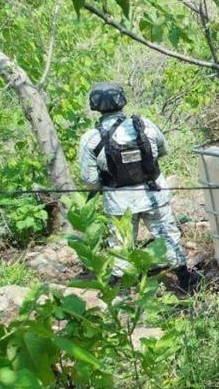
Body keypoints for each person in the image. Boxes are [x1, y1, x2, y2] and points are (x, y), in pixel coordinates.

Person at [77, 82, 199, 293]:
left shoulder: (91, 138)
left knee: (121, 243)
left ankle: (118, 291)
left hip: (118, 203)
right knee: (167, 235)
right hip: (154, 194)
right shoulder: (144, 125)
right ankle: (184, 280)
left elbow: (89, 179)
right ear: (122, 100)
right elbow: (162, 150)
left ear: (94, 105)